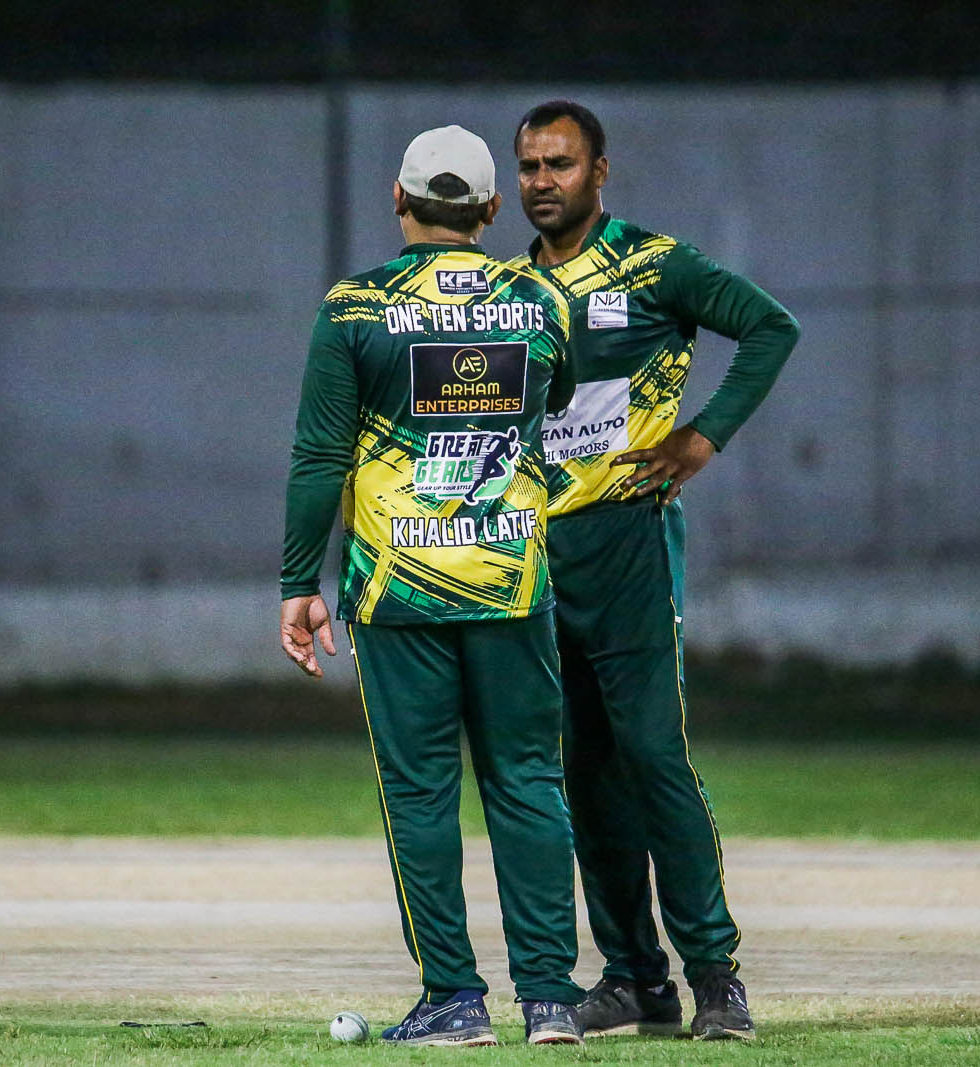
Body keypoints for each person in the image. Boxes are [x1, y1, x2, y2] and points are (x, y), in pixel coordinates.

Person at [280, 124, 587, 1046]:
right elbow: (556, 397)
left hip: (396, 591)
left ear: (398, 200)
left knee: (419, 791)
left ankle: (454, 999)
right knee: (528, 780)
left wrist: (299, 580)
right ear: (492, 208)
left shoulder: (354, 309)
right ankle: (551, 1001)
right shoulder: (537, 297)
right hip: (511, 580)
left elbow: (319, 454)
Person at [511, 99, 801, 1041]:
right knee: (583, 773)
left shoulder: (653, 264)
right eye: (529, 166)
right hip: (535, 559)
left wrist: (703, 436)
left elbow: (771, 327)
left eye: (560, 163)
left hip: (628, 541)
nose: (542, 181)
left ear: (600, 172)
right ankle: (636, 977)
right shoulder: (507, 291)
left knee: (652, 754)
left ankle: (716, 975)